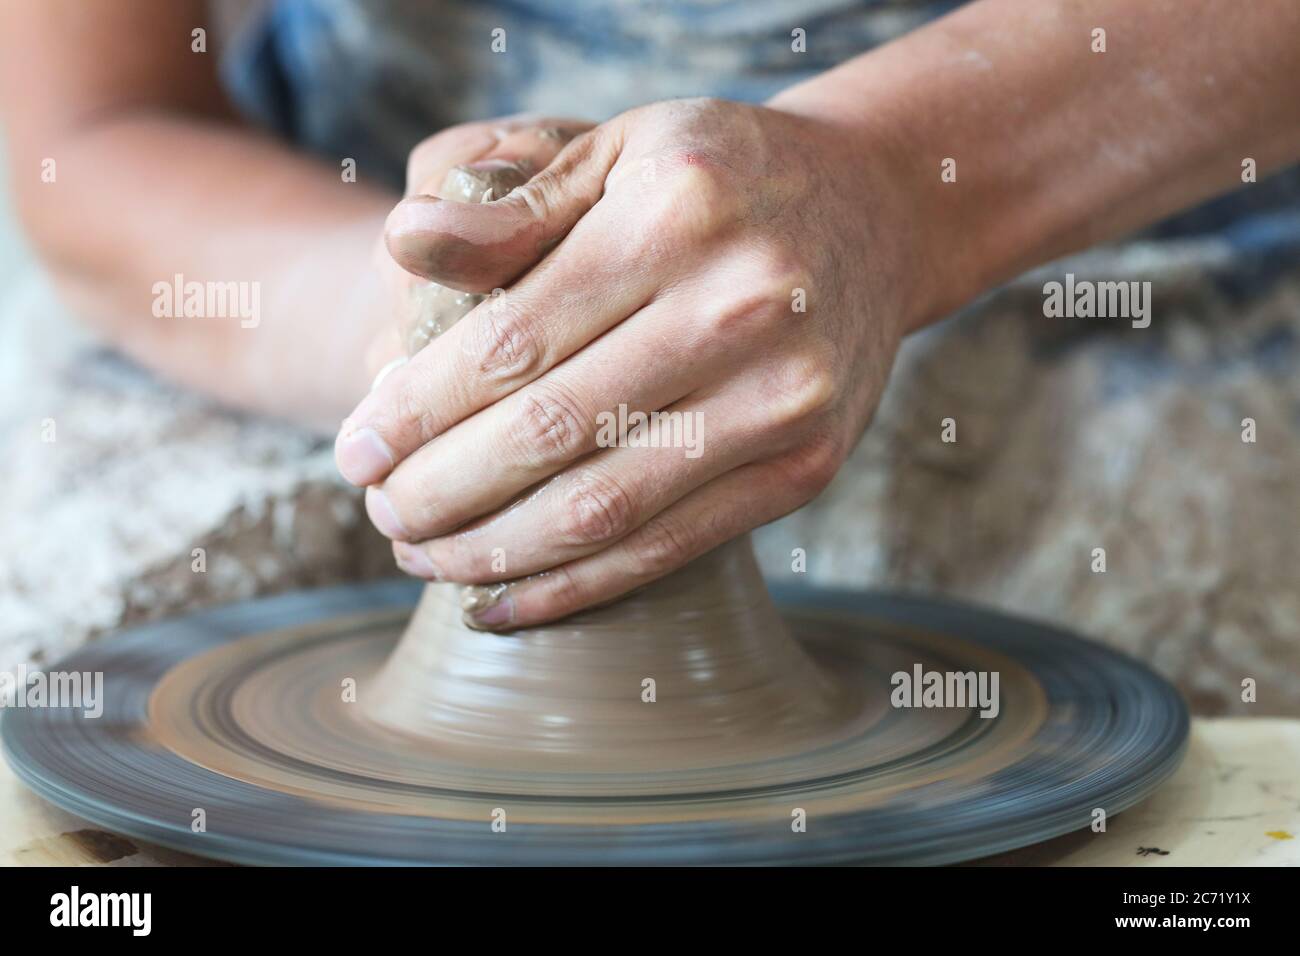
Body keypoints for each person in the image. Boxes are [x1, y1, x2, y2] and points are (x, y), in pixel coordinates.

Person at [1, 0, 1297, 630]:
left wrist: (899, 191)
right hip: (327, 218)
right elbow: (93, 127)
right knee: (79, 647)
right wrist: (417, 325)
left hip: (1100, 202)